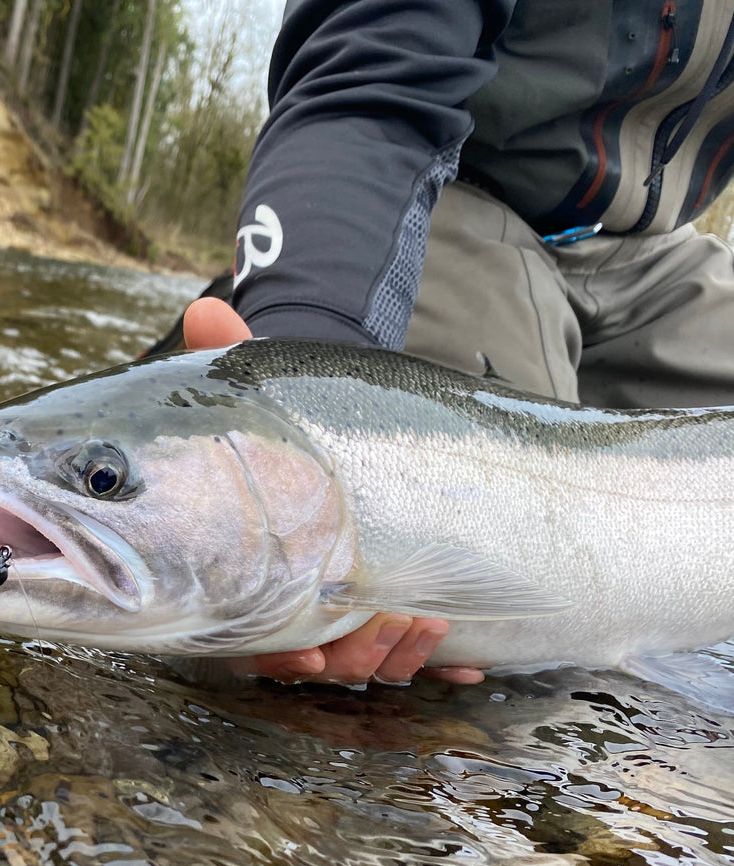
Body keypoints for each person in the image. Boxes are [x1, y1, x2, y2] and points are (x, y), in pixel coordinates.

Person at [154, 0, 734, 688]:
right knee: (493, 670)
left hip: (657, 247)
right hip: (443, 191)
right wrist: (306, 377)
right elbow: (373, 74)